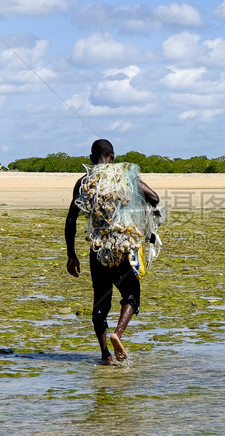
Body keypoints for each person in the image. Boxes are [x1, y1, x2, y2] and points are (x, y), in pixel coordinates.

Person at [65, 139, 160, 365]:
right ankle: (118, 332)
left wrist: (71, 254)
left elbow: (71, 220)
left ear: (91, 159)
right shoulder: (124, 177)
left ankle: (105, 355)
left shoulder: (84, 181)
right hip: (122, 247)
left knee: (101, 303)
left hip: (98, 249)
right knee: (131, 294)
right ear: (112, 156)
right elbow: (154, 197)